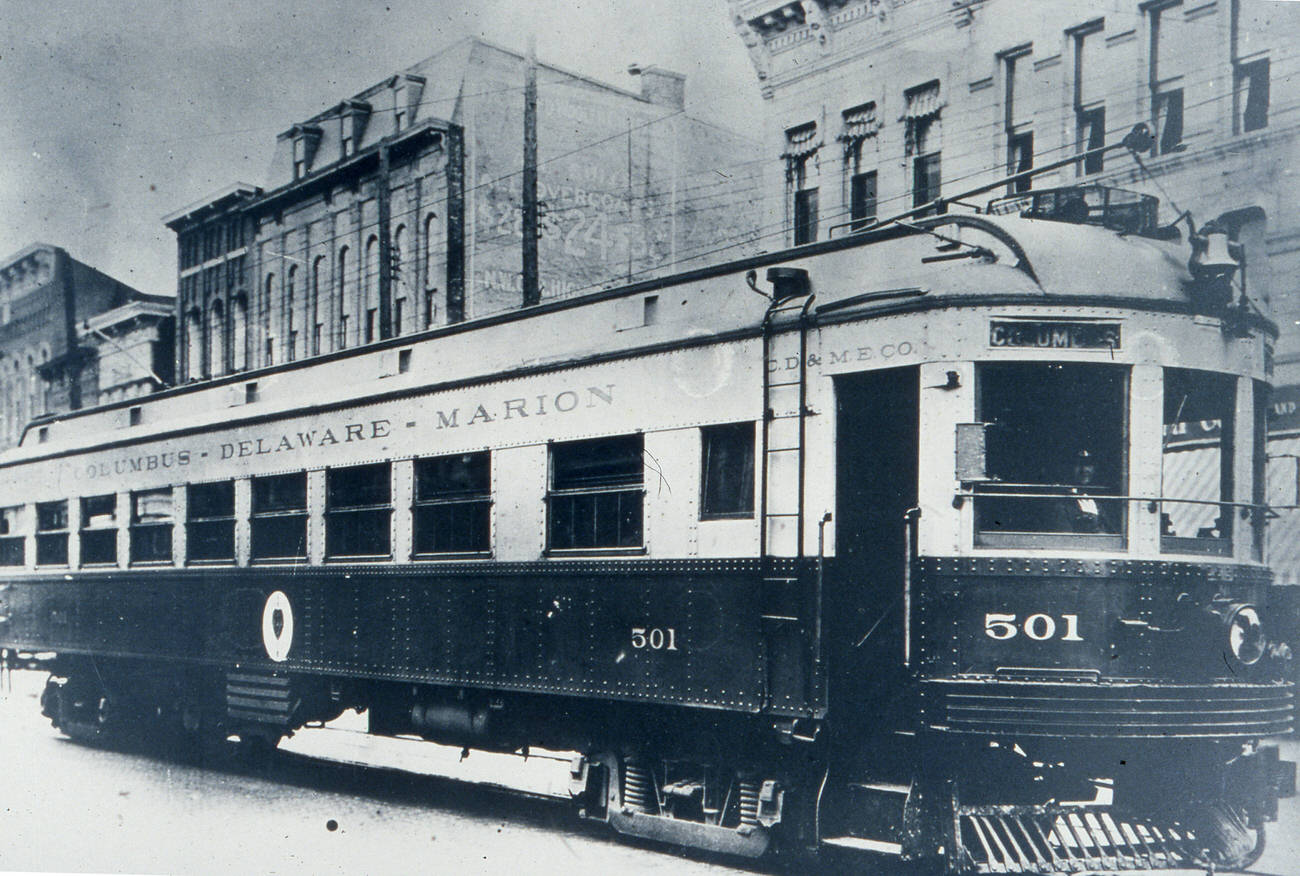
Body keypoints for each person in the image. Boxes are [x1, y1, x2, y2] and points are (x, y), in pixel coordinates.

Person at [1055, 449, 1116, 533]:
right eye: (1079, 465)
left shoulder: (1102, 500)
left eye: (1089, 465)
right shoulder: (1061, 502)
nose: (1084, 470)